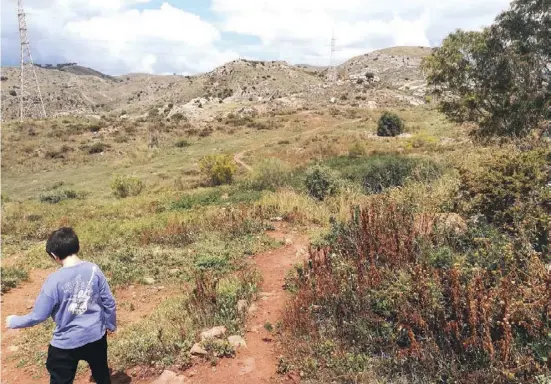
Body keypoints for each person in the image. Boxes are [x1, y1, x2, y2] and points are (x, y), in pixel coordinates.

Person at [5, 227, 116, 384]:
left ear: (54, 255)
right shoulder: (93, 269)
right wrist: (110, 324)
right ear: (77, 246)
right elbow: (109, 302)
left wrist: (14, 321)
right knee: (102, 375)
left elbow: (39, 315)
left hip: (66, 344)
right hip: (96, 336)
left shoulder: (53, 281)